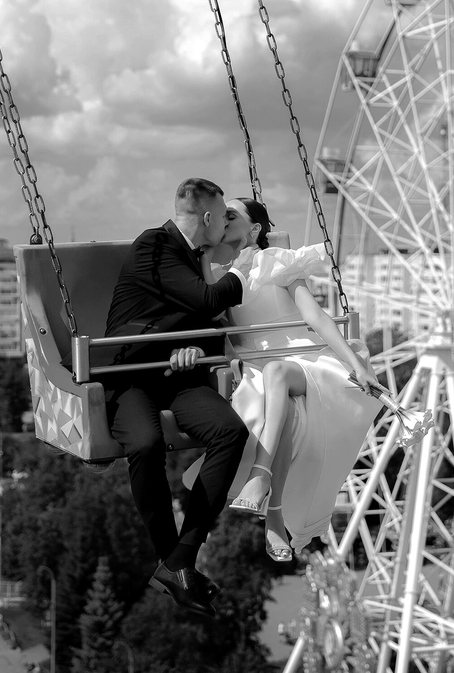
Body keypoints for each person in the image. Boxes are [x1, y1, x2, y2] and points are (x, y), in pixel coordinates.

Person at [101, 177, 249, 617]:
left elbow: (203, 324)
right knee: (145, 443)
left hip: (176, 375)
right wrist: (247, 268)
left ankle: (181, 558)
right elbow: (206, 301)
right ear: (207, 217)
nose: (226, 225)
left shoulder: (195, 258)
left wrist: (194, 349)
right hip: (130, 375)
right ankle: (174, 562)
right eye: (223, 217)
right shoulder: (154, 246)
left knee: (230, 431)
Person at [203, 198, 383, 561]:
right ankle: (274, 515)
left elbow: (315, 317)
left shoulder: (278, 261)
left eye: (232, 215)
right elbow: (217, 326)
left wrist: (357, 365)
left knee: (277, 374)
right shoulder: (218, 276)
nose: (225, 218)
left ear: (255, 228)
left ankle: (260, 475)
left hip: (304, 358)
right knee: (280, 409)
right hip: (256, 366)